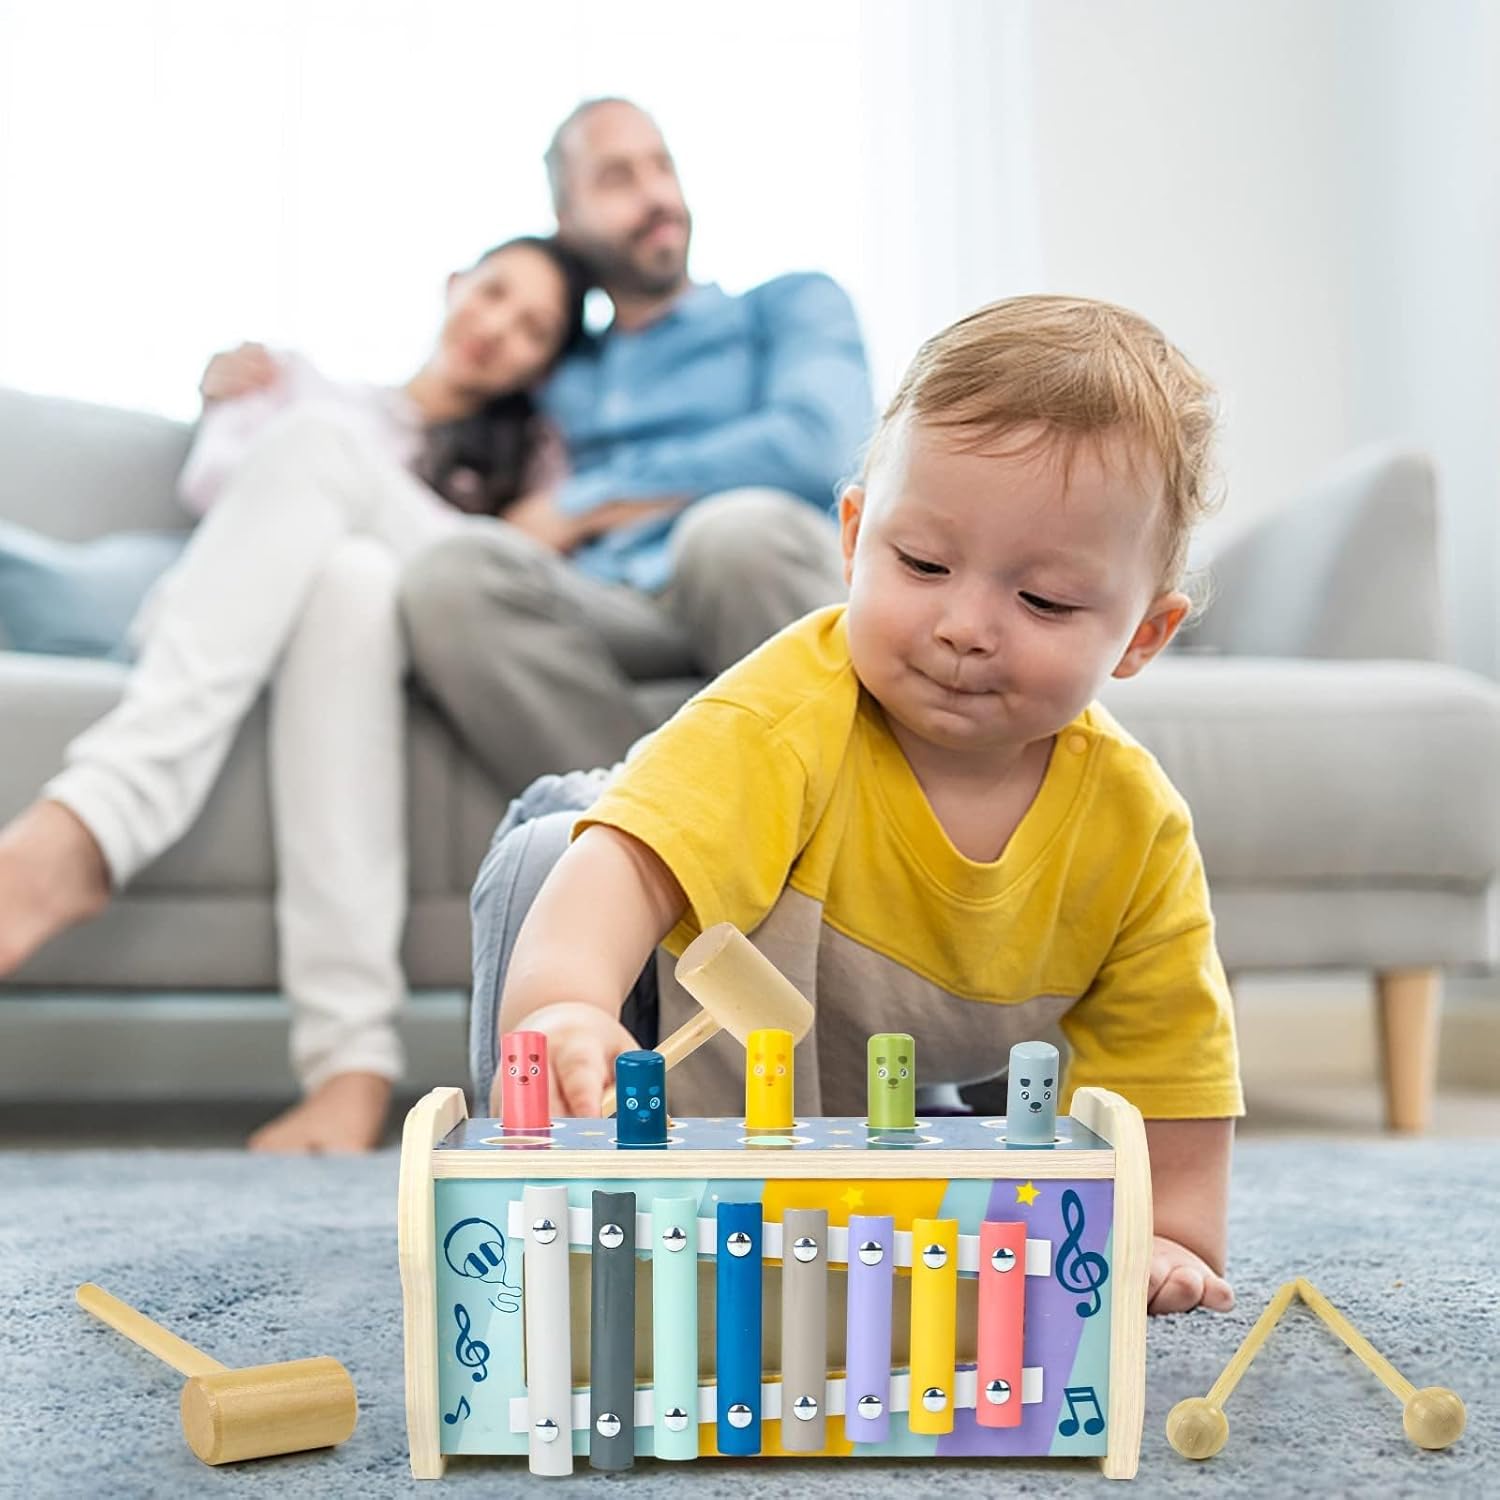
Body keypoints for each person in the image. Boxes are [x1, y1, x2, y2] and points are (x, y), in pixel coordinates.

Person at [469, 295, 1245, 1317]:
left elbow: (1170, 1064)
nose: (965, 625)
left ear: (1143, 636)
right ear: (853, 538)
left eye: (1045, 601)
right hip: (667, 950)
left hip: (898, 1040)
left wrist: (1172, 1233)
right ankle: (515, 1174)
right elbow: (629, 863)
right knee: (554, 853)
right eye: (921, 564)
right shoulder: (792, 709)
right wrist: (565, 1004)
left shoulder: (1135, 830)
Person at [0, 236, 590, 1153]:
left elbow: (495, 572)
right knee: (336, 535)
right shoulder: (306, 388)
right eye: (496, 295)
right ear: (454, 285)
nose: (498, 330)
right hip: (247, 601)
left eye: (532, 331)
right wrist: (230, 402)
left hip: (395, 604)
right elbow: (219, 486)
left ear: (542, 366)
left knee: (346, 541)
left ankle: (83, 836)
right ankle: (347, 1065)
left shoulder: (529, 460)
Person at [398, 98, 874, 794]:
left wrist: (588, 502)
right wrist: (267, 385)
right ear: (567, 220)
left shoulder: (787, 306)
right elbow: (436, 399)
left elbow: (817, 445)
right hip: (610, 604)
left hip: (755, 576)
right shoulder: (557, 365)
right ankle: (646, 841)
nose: (655, 194)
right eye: (617, 177)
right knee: (450, 573)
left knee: (730, 533)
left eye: (662, 166)